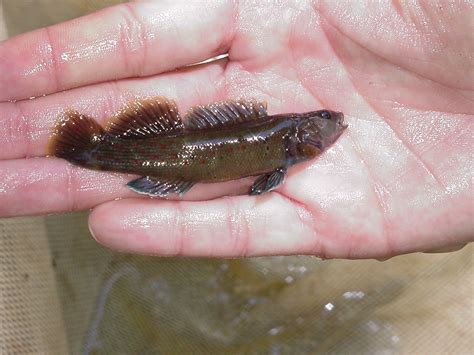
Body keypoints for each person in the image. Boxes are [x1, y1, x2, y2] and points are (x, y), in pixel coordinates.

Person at [0, 1, 472, 258]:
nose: (331, 124)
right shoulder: (287, 148)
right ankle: (86, 150)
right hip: (173, 149)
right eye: (323, 121)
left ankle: (87, 151)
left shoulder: (287, 145)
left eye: (324, 121)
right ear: (301, 137)